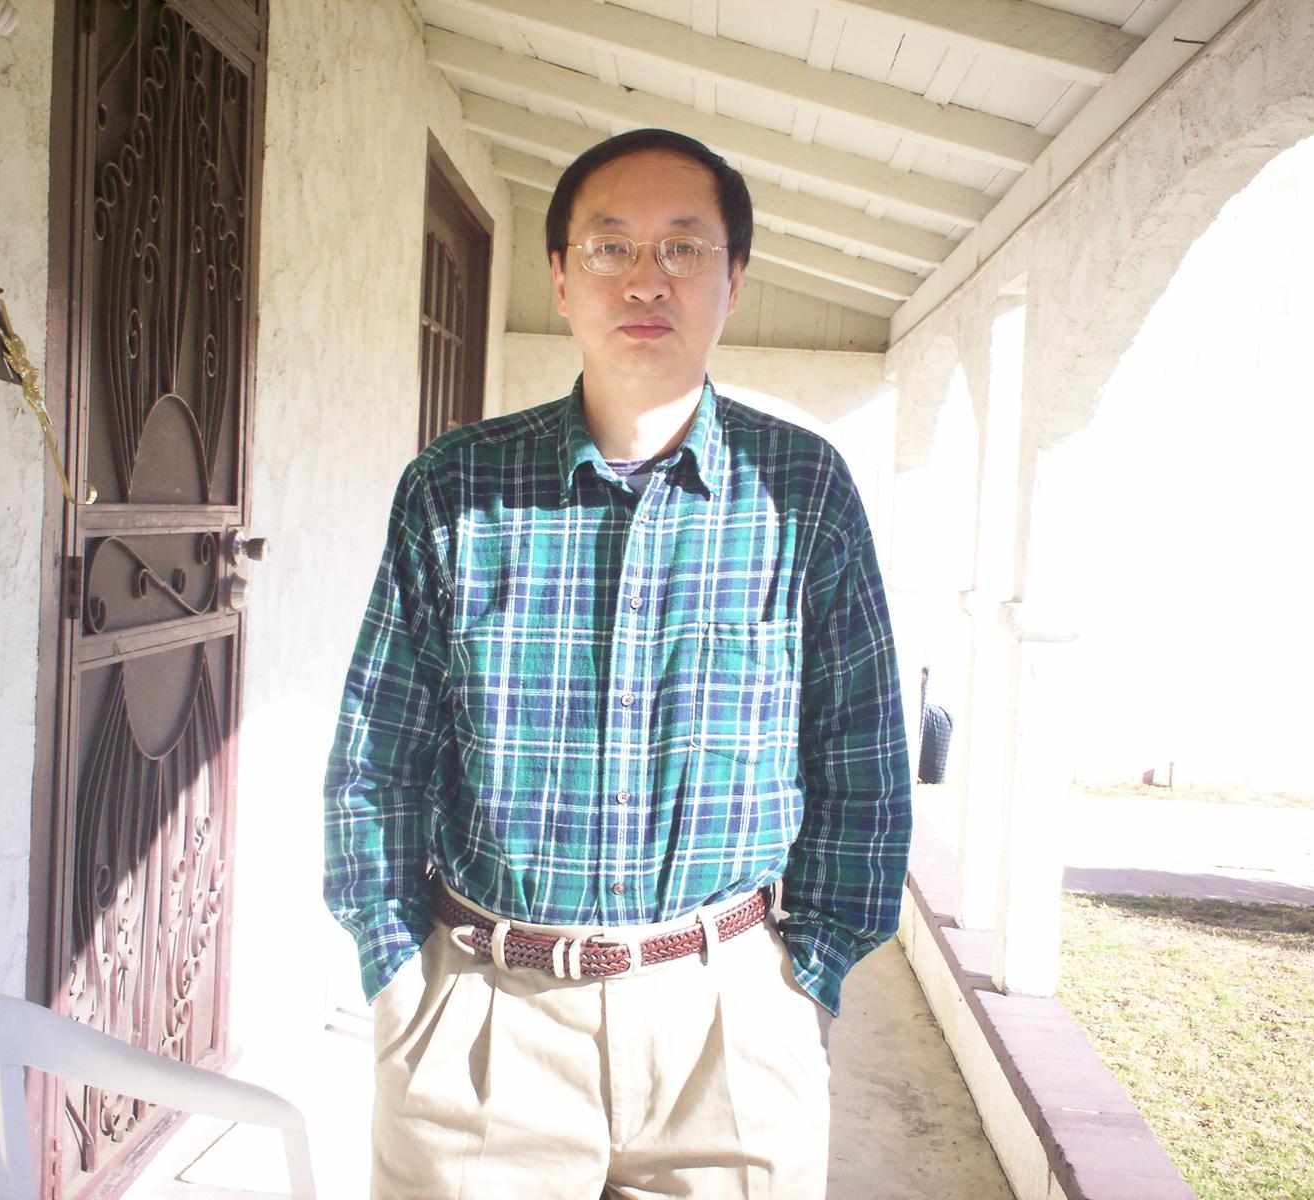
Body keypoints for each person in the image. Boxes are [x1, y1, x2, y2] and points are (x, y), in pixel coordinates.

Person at [324, 127, 912, 1199]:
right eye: (609, 247)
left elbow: (861, 763)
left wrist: (804, 986)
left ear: (734, 279)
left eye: (683, 247)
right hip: (485, 1019)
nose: (646, 279)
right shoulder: (456, 487)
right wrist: (398, 978)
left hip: (728, 1031)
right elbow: (378, 762)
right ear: (559, 277)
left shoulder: (802, 492)